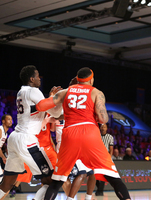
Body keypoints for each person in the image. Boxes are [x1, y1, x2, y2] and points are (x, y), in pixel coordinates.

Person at [36, 67, 131, 200]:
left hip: (70, 134)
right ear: (91, 79)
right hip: (90, 133)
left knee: (57, 181)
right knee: (113, 177)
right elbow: (103, 119)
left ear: (77, 79)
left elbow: (40, 106)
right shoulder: (97, 92)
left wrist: (52, 96)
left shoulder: (66, 92)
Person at [0, 65, 62, 200]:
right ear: (32, 79)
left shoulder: (21, 92)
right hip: (27, 139)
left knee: (7, 182)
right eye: (38, 76)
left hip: (15, 138)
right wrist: (58, 100)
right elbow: (55, 112)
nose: (40, 79)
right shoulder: (34, 91)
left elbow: (40, 108)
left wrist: (50, 99)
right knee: (51, 180)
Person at [95, 123, 114, 196]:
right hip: (97, 156)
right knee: (95, 174)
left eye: (104, 127)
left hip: (105, 157)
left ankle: (100, 191)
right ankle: (99, 189)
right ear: (100, 128)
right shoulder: (97, 136)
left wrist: (110, 157)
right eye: (102, 127)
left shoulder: (110, 137)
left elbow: (111, 149)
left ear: (106, 128)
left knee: (103, 174)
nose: (103, 128)